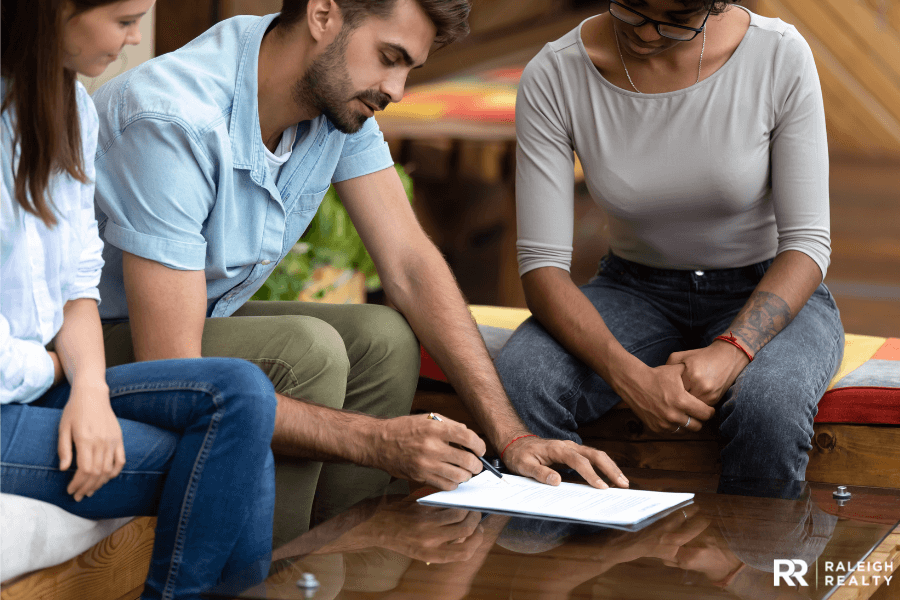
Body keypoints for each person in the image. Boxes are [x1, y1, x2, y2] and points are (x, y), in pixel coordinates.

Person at [88, 0, 630, 544]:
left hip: (187, 324)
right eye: (389, 57)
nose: (396, 89)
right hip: (90, 352)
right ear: (323, 15)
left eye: (408, 69)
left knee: (384, 338)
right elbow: (169, 362)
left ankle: (340, 562)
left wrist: (510, 436)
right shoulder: (174, 117)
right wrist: (374, 441)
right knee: (305, 349)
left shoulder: (331, 99)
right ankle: (272, 578)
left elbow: (411, 265)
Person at [495, 0, 843, 481]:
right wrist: (629, 377)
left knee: (770, 405)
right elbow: (542, 267)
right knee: (521, 381)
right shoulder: (556, 73)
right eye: (632, 8)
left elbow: (807, 244)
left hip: (766, 284)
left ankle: (754, 555)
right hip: (632, 287)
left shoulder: (779, 55)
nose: (648, 34)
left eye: (676, 21)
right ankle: (578, 540)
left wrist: (732, 350)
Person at [0, 2, 278, 598]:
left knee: (242, 394)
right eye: (124, 19)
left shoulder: (67, 108)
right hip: (8, 395)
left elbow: (78, 282)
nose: (132, 41)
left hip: (37, 383)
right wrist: (59, 372)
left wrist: (92, 393)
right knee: (242, 457)